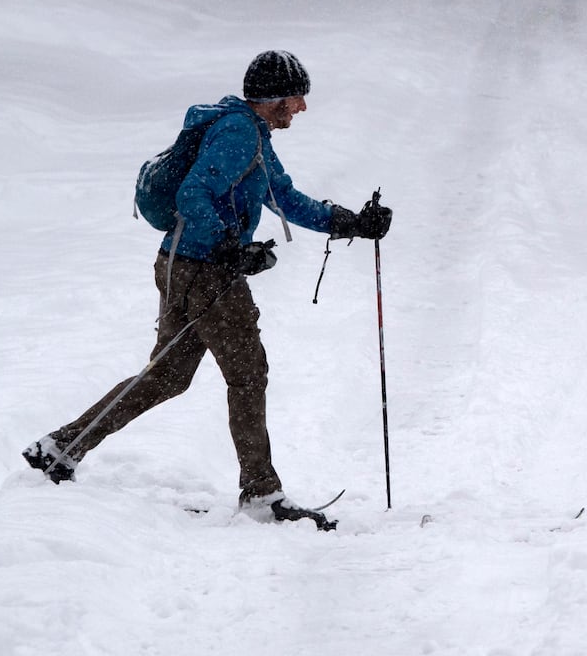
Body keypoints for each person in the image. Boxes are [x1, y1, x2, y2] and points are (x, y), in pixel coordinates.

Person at [22, 50, 392, 525]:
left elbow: (284, 197)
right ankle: (261, 493)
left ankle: (60, 447)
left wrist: (350, 222)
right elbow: (192, 194)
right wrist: (228, 248)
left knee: (167, 375)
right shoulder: (238, 134)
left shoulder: (249, 131)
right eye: (296, 97)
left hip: (180, 263)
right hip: (206, 273)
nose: (301, 107)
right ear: (274, 98)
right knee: (247, 374)